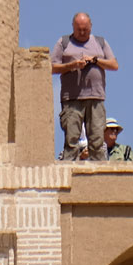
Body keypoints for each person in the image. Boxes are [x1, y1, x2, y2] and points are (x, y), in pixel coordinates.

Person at [51, 12, 118, 161]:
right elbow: (51, 67)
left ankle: (100, 177)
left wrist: (95, 60)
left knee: (97, 141)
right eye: (79, 29)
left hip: (96, 98)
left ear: (91, 27)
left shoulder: (100, 42)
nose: (82, 33)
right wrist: (72, 65)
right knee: (72, 141)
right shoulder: (64, 42)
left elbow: (114, 64)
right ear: (73, 27)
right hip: (72, 99)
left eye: (85, 30)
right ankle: (69, 176)